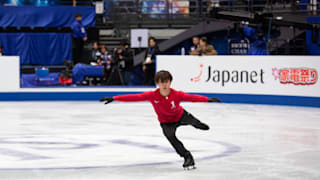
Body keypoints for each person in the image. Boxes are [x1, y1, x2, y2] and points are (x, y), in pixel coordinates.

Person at [100, 70, 221, 169]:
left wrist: (207, 99)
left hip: (180, 115)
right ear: (157, 83)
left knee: (194, 122)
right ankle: (187, 157)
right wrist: (115, 98)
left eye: (166, 82)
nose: (164, 84)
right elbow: (135, 97)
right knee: (171, 138)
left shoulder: (177, 94)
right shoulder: (152, 95)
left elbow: (191, 97)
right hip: (166, 122)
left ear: (170, 82)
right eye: (161, 82)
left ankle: (197, 124)